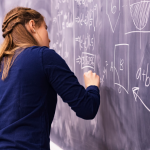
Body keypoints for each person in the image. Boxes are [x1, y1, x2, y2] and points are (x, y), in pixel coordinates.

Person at [0, 7, 100, 150]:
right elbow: (87, 108)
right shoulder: (43, 56)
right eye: (45, 28)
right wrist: (92, 87)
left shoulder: (3, 61)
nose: (49, 38)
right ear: (32, 25)